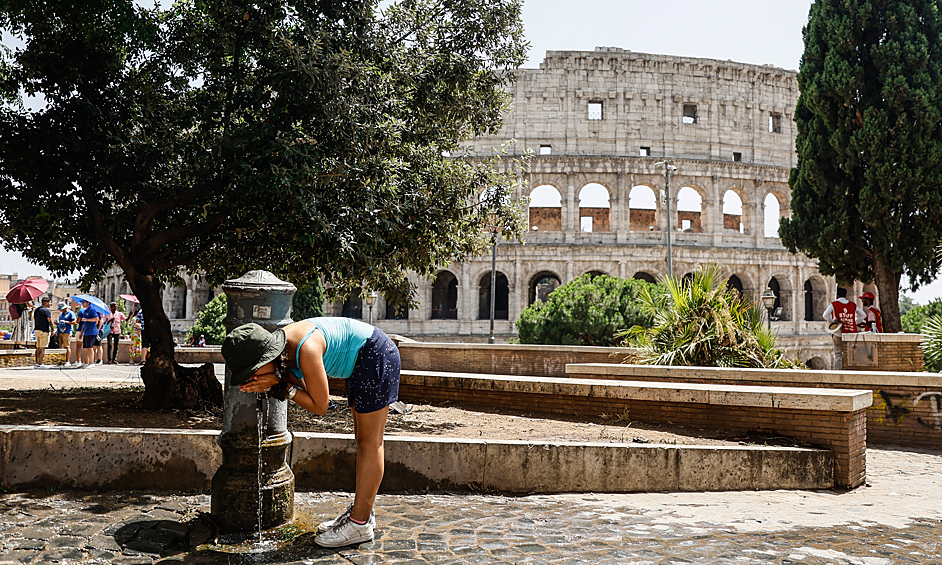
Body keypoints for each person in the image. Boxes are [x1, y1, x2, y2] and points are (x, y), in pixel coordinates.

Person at [224, 317, 400, 548]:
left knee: (370, 442)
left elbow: (320, 406)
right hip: (363, 358)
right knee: (362, 440)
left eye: (253, 372)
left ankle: (359, 524)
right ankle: (362, 512)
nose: (253, 378)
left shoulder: (305, 348)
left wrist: (282, 386)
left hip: (375, 355)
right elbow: (309, 387)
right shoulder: (283, 347)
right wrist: (279, 380)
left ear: (265, 357)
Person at [823, 287, 865, 369]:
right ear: (845, 295)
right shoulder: (852, 305)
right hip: (850, 331)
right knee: (851, 354)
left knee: (838, 354)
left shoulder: (834, 304)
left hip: (838, 332)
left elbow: (825, 315)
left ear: (837, 295)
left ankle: (838, 372)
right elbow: (863, 315)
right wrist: (854, 322)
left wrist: (832, 322)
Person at [76, 300, 101, 368]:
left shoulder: (92, 310)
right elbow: (84, 323)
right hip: (86, 332)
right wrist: (81, 332)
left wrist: (87, 320)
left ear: (88, 303)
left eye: (84, 302)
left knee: (90, 348)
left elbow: (96, 318)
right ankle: (86, 362)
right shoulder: (85, 311)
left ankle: (91, 362)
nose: (83, 304)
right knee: (85, 348)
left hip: (92, 332)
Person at [32, 297, 53, 368]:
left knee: (37, 348)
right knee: (42, 348)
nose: (50, 304)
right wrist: (52, 329)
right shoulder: (46, 311)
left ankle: (37, 363)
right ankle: (40, 364)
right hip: (44, 331)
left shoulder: (37, 310)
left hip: (36, 330)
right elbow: (49, 320)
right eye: (50, 302)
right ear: (46, 302)